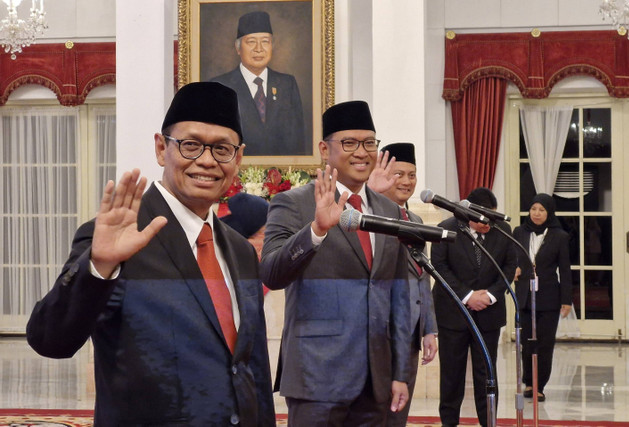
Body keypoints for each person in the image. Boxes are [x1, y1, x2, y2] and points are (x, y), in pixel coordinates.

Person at [26, 82, 276, 426]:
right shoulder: (119, 240)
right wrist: (98, 267)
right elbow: (50, 340)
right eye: (190, 145)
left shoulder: (240, 250)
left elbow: (252, 367)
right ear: (162, 149)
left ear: (238, 158)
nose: (206, 161)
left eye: (222, 149)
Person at [259, 100, 412, 425]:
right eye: (349, 143)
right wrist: (316, 230)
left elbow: (398, 297)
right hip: (317, 378)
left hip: (377, 380)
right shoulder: (292, 203)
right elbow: (272, 273)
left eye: (370, 143)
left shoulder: (388, 211)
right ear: (324, 150)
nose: (362, 152)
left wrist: (400, 372)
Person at [430, 187, 516, 427]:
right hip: (453, 312)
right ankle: (449, 422)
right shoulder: (445, 229)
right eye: (483, 220)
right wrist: (467, 296)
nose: (488, 224)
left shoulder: (503, 230)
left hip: (489, 313)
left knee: (486, 373)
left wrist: (490, 295)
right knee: (451, 374)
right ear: (469, 214)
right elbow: (439, 267)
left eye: (492, 218)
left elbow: (509, 267)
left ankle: (489, 422)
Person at [377, 142, 438, 426]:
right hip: (382, 333)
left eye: (412, 175)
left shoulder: (414, 220)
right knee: (380, 411)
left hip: (411, 331)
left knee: (400, 413)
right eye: (398, 174)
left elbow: (422, 277)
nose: (406, 181)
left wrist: (429, 329)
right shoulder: (375, 218)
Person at [211, 11, 306, 156]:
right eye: (251, 42)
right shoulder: (220, 86)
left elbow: (299, 141)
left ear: (272, 46)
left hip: (284, 173)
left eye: (265, 41)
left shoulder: (287, 84)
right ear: (238, 48)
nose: (259, 48)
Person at [513, 193, 572, 402]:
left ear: (549, 213)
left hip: (548, 296)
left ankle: (540, 385)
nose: (537, 214)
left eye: (542, 210)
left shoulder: (559, 236)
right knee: (527, 342)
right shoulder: (519, 232)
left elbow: (565, 270)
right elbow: (511, 258)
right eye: (533, 209)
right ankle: (528, 382)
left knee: (544, 343)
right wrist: (514, 269)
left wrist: (567, 300)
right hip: (524, 296)